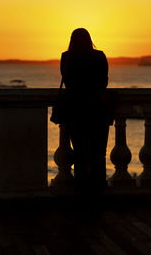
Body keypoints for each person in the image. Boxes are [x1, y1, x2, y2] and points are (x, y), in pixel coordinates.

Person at [60, 28, 109, 196]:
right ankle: (98, 190)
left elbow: (68, 82)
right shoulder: (99, 56)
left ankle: (81, 190)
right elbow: (104, 82)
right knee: (98, 154)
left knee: (80, 153)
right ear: (89, 39)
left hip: (75, 110)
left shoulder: (66, 57)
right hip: (97, 110)